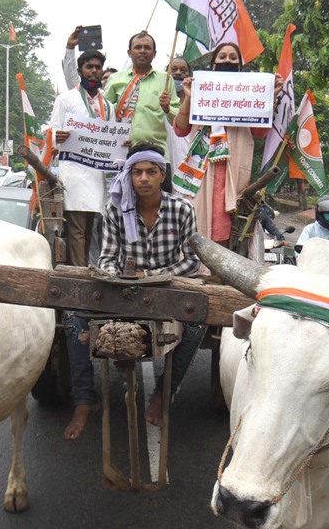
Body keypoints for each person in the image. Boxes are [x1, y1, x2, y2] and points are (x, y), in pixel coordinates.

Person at [61, 143, 203, 439]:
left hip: (165, 290)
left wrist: (152, 276)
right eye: (137, 172)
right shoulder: (115, 208)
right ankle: (85, 399)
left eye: (151, 172)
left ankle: (164, 393)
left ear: (162, 174)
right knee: (73, 315)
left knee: (197, 323)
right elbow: (107, 257)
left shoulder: (182, 209)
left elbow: (192, 262)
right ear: (129, 174)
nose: (143, 179)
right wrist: (121, 280)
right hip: (121, 289)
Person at [172, 42, 284, 247]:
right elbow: (180, 129)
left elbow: (260, 133)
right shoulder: (200, 90)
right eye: (222, 57)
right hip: (202, 169)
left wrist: (270, 95)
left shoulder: (250, 94)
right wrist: (188, 97)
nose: (227, 61)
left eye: (233, 58)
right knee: (199, 217)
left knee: (231, 223)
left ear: (240, 67)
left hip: (234, 169)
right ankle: (199, 267)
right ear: (213, 65)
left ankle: (225, 270)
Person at [49, 49, 113, 267]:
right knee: (76, 228)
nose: (94, 72)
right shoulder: (66, 99)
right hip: (74, 173)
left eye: (98, 68)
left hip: (96, 175)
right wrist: (58, 136)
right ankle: (79, 274)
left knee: (89, 227)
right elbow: (51, 133)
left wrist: (121, 144)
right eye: (89, 67)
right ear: (80, 71)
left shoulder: (108, 106)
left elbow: (111, 138)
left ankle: (84, 270)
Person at [104, 31, 180, 191]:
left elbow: (178, 119)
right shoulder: (116, 79)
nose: (142, 51)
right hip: (122, 155)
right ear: (129, 52)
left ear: (154, 53)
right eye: (138, 47)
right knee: (122, 208)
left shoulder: (165, 79)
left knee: (160, 210)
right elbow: (103, 115)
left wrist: (167, 108)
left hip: (157, 155)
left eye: (147, 47)